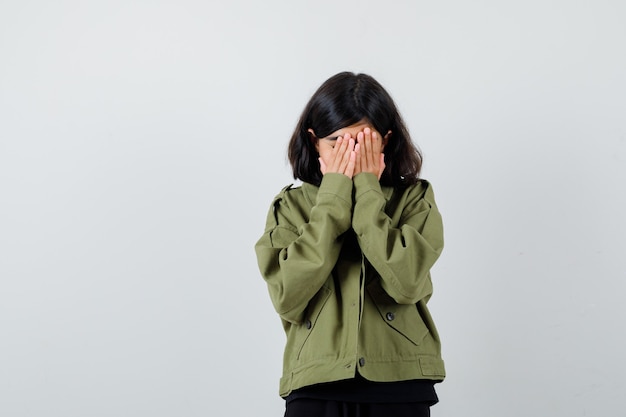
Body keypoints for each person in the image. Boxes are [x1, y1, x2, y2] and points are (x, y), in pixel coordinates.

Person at [254, 71, 446, 417]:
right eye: (337, 143)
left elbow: (406, 284)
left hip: (400, 380)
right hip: (315, 384)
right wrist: (334, 199)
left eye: (363, 143)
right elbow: (288, 297)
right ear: (314, 142)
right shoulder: (291, 207)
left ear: (385, 141)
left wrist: (368, 194)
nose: (351, 155)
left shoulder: (415, 200)